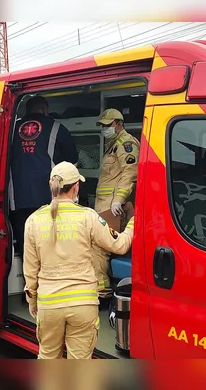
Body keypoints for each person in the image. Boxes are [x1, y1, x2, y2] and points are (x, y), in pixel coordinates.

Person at [23, 162, 135, 359]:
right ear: (76, 187)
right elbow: (120, 245)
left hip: (49, 305)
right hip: (82, 305)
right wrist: (133, 222)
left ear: (51, 186)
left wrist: (32, 301)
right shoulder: (88, 217)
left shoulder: (33, 220)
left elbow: (30, 271)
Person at [8, 96, 78, 256]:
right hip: (49, 199)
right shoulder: (56, 127)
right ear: (45, 109)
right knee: (49, 246)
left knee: (26, 247)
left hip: (17, 201)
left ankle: (27, 279)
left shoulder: (12, 129)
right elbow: (72, 163)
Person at [93, 108, 140, 305]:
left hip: (112, 207)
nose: (104, 129)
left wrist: (118, 200)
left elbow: (130, 173)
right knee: (99, 247)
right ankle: (104, 289)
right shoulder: (113, 144)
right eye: (102, 126)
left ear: (119, 124)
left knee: (99, 247)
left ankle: (102, 294)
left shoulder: (126, 144)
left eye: (107, 125)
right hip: (105, 205)